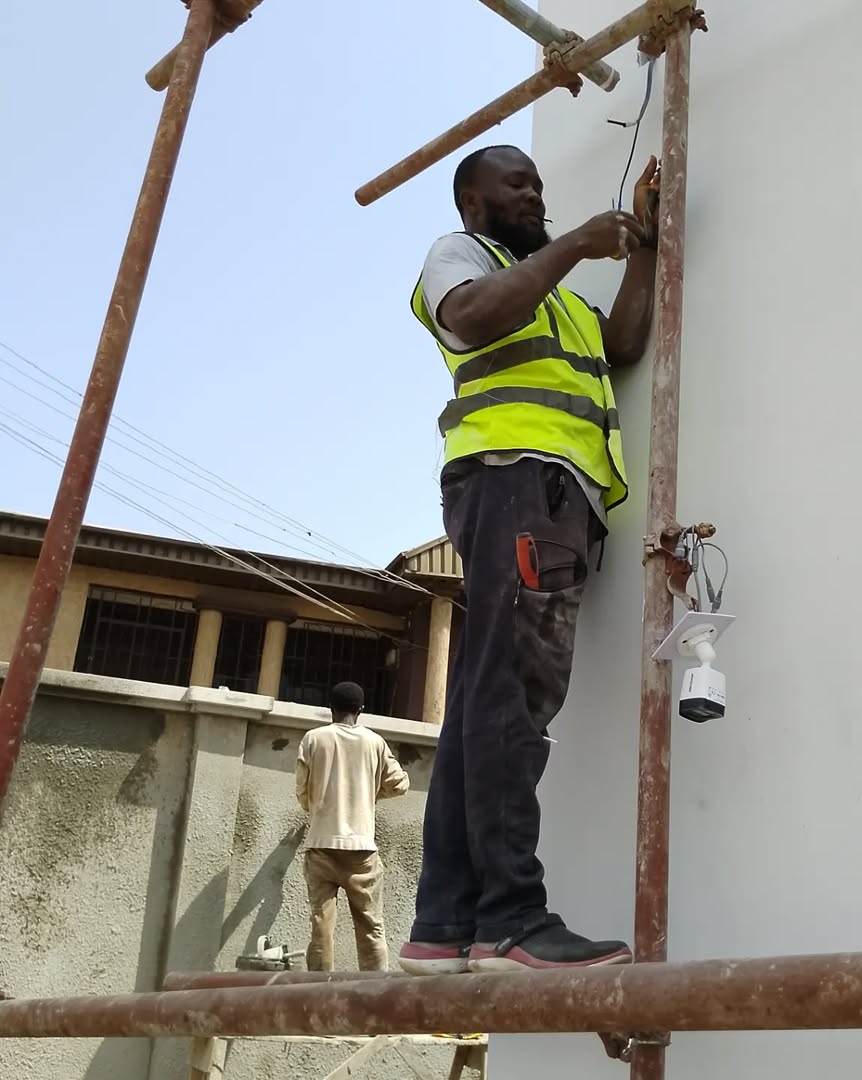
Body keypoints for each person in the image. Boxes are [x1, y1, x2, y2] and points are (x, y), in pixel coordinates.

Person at [399, 145, 659, 975]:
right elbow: (471, 316)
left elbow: (623, 344)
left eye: (539, 184)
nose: (535, 194)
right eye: (517, 183)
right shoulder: (462, 256)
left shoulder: (557, 296)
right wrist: (578, 244)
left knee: (483, 704)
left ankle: (445, 924)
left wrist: (645, 243)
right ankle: (510, 920)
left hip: (543, 496)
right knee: (511, 702)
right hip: (518, 481)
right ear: (473, 202)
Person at [295, 681, 409, 971]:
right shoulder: (375, 742)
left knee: (321, 926)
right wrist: (370, 795)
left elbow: (302, 791)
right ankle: (375, 989)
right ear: (361, 709)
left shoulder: (313, 738)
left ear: (330, 708)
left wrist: (316, 808)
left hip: (320, 845)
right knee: (371, 925)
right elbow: (400, 784)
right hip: (361, 850)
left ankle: (319, 988)